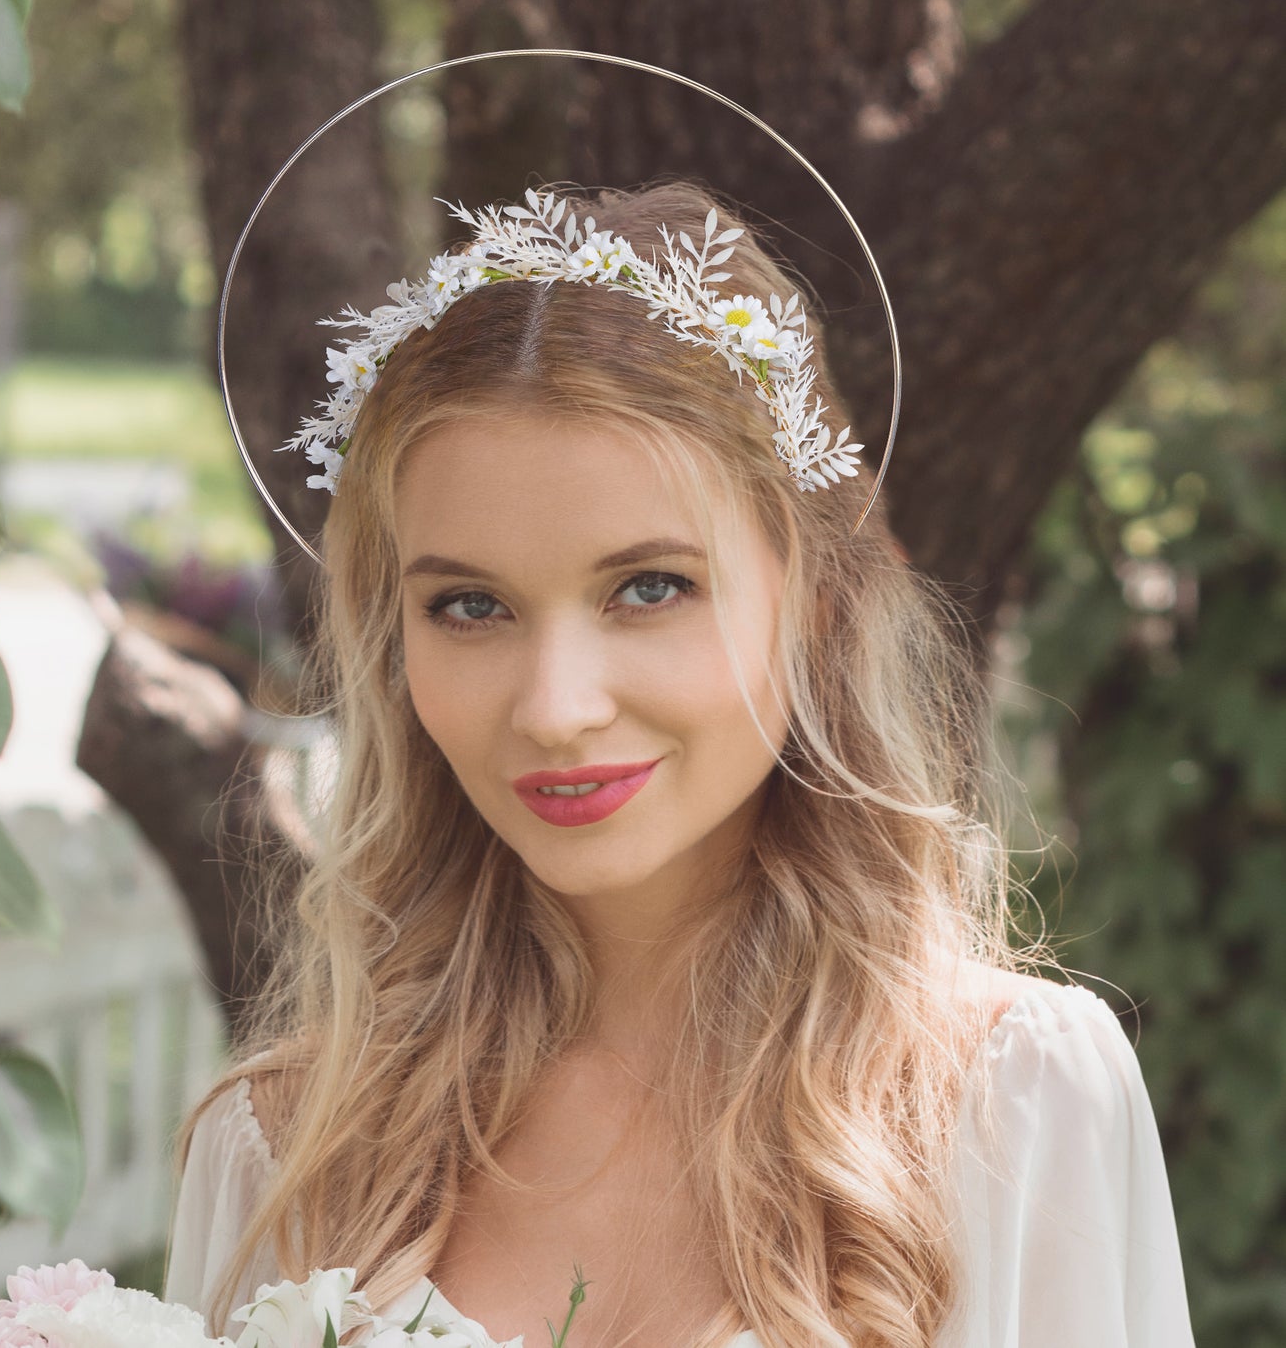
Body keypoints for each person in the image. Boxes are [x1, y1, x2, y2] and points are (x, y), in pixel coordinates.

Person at [162, 181, 1196, 1348]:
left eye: (648, 587)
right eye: (468, 605)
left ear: (810, 598)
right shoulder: (278, 1151)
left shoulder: (1013, 1103)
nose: (555, 708)